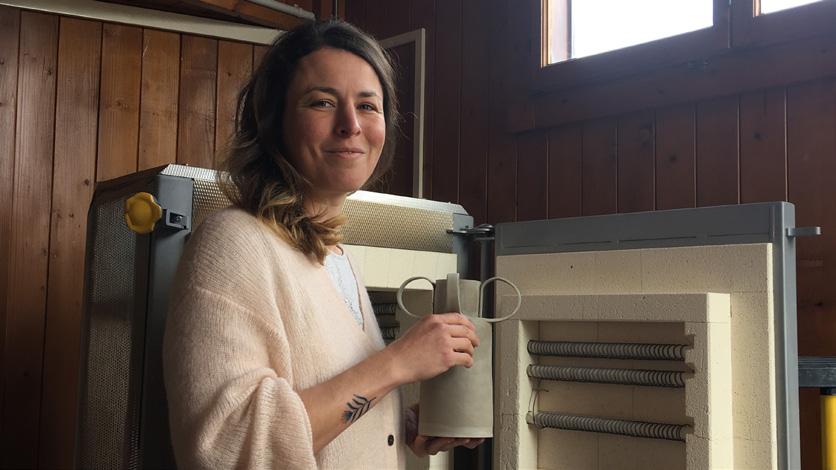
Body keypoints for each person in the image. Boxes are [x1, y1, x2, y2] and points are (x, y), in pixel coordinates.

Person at [162, 19, 483, 469]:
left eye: (367, 106)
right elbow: (226, 445)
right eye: (322, 102)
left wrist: (403, 424)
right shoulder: (233, 243)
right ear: (273, 122)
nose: (350, 125)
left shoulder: (336, 256)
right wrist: (397, 363)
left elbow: (319, 410)